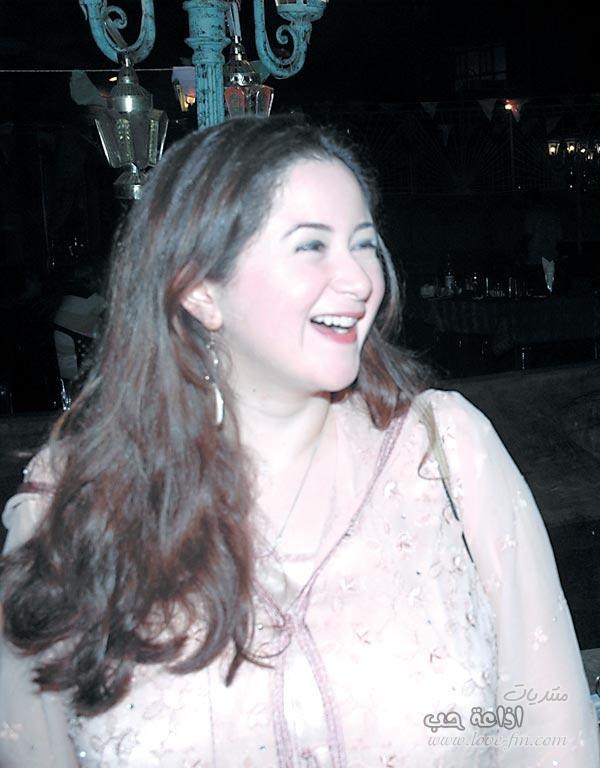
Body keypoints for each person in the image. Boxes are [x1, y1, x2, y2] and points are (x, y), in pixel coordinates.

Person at [0, 116, 598, 767]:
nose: (361, 280)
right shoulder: (72, 500)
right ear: (199, 289)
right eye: (312, 245)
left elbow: (552, 731)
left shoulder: (447, 452)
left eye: (364, 244)